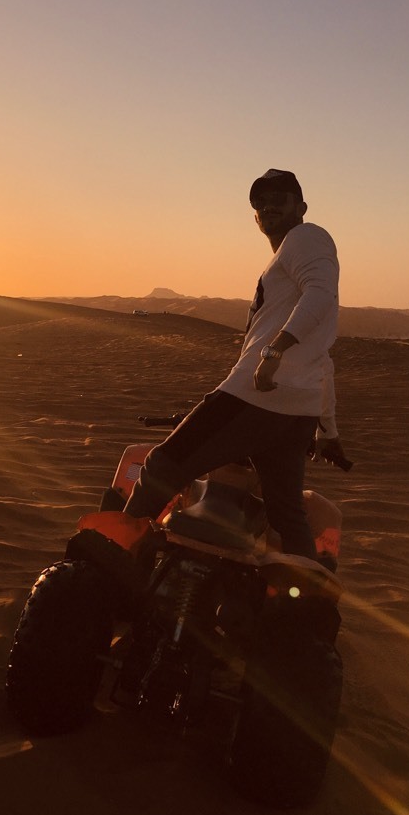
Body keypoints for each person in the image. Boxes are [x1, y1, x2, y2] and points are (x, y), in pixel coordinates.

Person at [123, 168, 346, 560]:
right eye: (260, 202)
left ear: (302, 207)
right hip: (295, 413)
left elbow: (322, 296)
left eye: (280, 197)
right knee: (287, 515)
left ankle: (110, 560)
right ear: (254, 216)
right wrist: (326, 429)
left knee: (162, 467)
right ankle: (301, 606)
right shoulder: (287, 258)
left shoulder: (305, 237)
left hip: (255, 399)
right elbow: (321, 356)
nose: (268, 206)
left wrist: (273, 353)